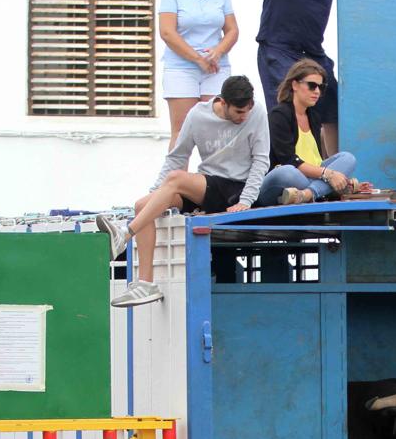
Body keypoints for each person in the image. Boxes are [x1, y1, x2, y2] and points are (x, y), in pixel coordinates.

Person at [98, 76, 269, 308]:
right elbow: (178, 156)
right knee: (142, 206)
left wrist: (247, 200)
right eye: (239, 112)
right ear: (222, 102)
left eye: (247, 111)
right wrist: (157, 194)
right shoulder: (198, 115)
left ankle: (124, 236)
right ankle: (145, 283)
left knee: (176, 179)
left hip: (235, 189)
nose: (243, 117)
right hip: (207, 185)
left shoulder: (257, 113)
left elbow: (261, 161)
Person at [255, 0, 371, 161]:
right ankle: (290, 170)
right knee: (289, 109)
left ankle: (335, 170)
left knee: (334, 107)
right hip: (279, 48)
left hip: (312, 51)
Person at [257, 59, 359, 206]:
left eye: (321, 87)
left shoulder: (313, 115)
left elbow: (317, 160)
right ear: (294, 85)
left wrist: (335, 177)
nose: (317, 91)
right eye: (312, 86)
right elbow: (289, 161)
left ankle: (308, 194)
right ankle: (325, 190)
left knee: (348, 158)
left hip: (307, 182)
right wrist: (331, 175)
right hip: (281, 181)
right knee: (288, 172)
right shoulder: (279, 115)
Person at [158, 0, 239, 148]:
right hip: (181, 68)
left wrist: (218, 52)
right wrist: (198, 59)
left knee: (218, 129)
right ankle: (177, 177)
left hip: (216, 68)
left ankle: (215, 177)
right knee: (181, 131)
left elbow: (232, 30)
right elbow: (167, 33)